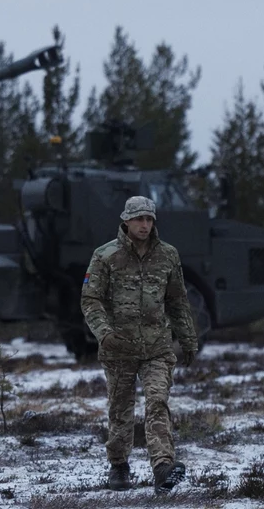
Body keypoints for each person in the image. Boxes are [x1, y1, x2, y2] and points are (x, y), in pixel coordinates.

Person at [81, 195, 199, 494]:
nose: (144, 225)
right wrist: (104, 333)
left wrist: (187, 338)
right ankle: (118, 465)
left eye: (149, 219)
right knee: (120, 409)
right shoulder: (105, 255)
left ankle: (162, 467)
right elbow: (90, 299)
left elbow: (177, 300)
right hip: (119, 348)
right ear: (126, 221)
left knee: (157, 402)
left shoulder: (168, 255)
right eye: (139, 219)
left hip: (157, 347)